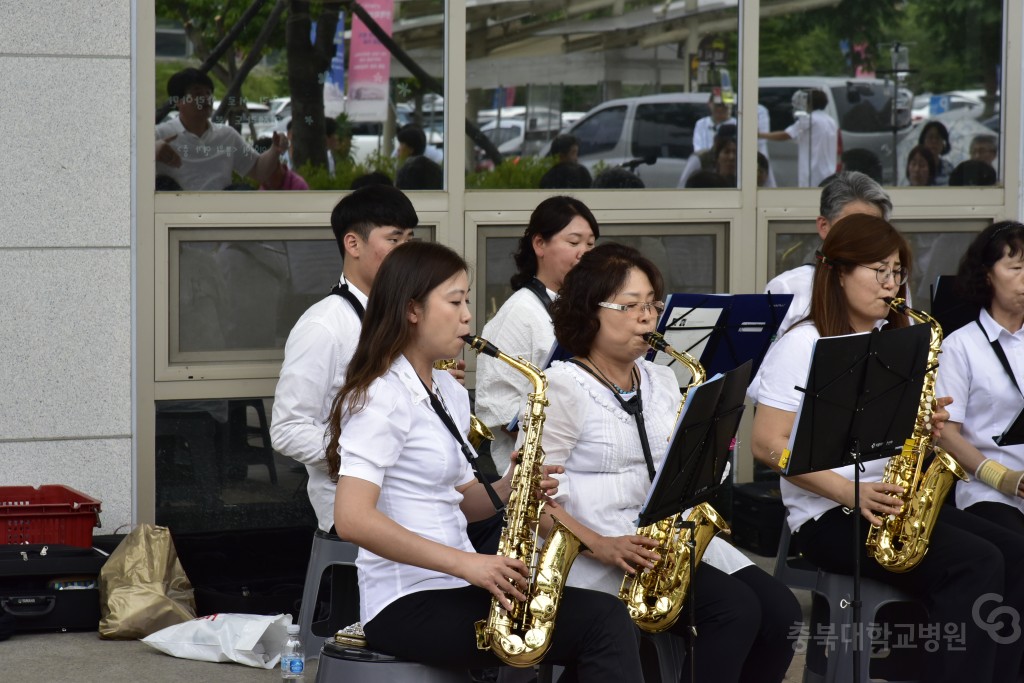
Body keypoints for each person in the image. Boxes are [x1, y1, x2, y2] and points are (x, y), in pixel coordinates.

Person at [328, 240, 645, 679]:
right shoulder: (379, 395)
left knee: (604, 618)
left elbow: (456, 501)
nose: (467, 316)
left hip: (457, 586)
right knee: (601, 624)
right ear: (412, 310)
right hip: (405, 602)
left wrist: (509, 486)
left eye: (467, 302)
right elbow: (352, 519)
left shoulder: (449, 391)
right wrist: (470, 563)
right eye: (455, 301)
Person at [751, 213, 1024, 683]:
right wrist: (848, 492)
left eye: (897, 272)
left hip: (891, 499)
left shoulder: (892, 340)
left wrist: (925, 426)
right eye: (879, 271)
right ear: (837, 273)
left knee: (1015, 553)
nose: (891, 284)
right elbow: (765, 444)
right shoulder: (801, 345)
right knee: (976, 565)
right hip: (829, 514)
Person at [523, 242, 800, 683]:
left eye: (652, 305)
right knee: (735, 610)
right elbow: (530, 504)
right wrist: (603, 544)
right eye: (631, 306)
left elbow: (683, 470)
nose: (648, 317)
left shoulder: (661, 378)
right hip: (596, 555)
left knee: (782, 611)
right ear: (588, 311)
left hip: (664, 545)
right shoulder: (561, 387)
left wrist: (712, 450)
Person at [271, 184, 417, 534]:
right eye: (395, 240)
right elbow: (287, 430)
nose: (406, 251)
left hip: (411, 496)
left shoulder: (404, 314)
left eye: (410, 239)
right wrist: (361, 453)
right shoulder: (323, 325)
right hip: (358, 512)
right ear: (353, 244)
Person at [475, 196, 599, 474]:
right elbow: (498, 410)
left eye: (590, 244)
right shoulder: (517, 314)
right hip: (535, 473)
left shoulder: (584, 307)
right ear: (539, 244)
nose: (585, 253)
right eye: (574, 242)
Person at [937, 222, 1024, 531]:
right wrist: (1000, 477)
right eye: (1016, 267)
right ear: (987, 275)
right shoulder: (959, 346)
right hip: (987, 491)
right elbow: (945, 433)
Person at [155, 68, 285, 191]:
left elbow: (258, 171)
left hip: (219, 210)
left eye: (208, 93)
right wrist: (152, 151)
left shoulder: (227, 135)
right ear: (178, 101)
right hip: (175, 212)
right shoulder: (160, 134)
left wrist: (274, 150)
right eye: (197, 93)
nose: (206, 98)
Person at [759, 89, 837, 187]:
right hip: (828, 170)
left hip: (813, 172)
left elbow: (786, 135)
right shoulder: (830, 120)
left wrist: (760, 135)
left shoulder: (809, 119)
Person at [677, 123, 737, 188]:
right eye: (726, 152)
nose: (731, 157)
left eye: (735, 152)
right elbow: (682, 187)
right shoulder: (700, 158)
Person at [918, 120, 955, 185]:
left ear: (943, 144)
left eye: (938, 138)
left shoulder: (949, 168)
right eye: (930, 137)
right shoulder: (917, 168)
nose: (934, 141)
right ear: (923, 141)